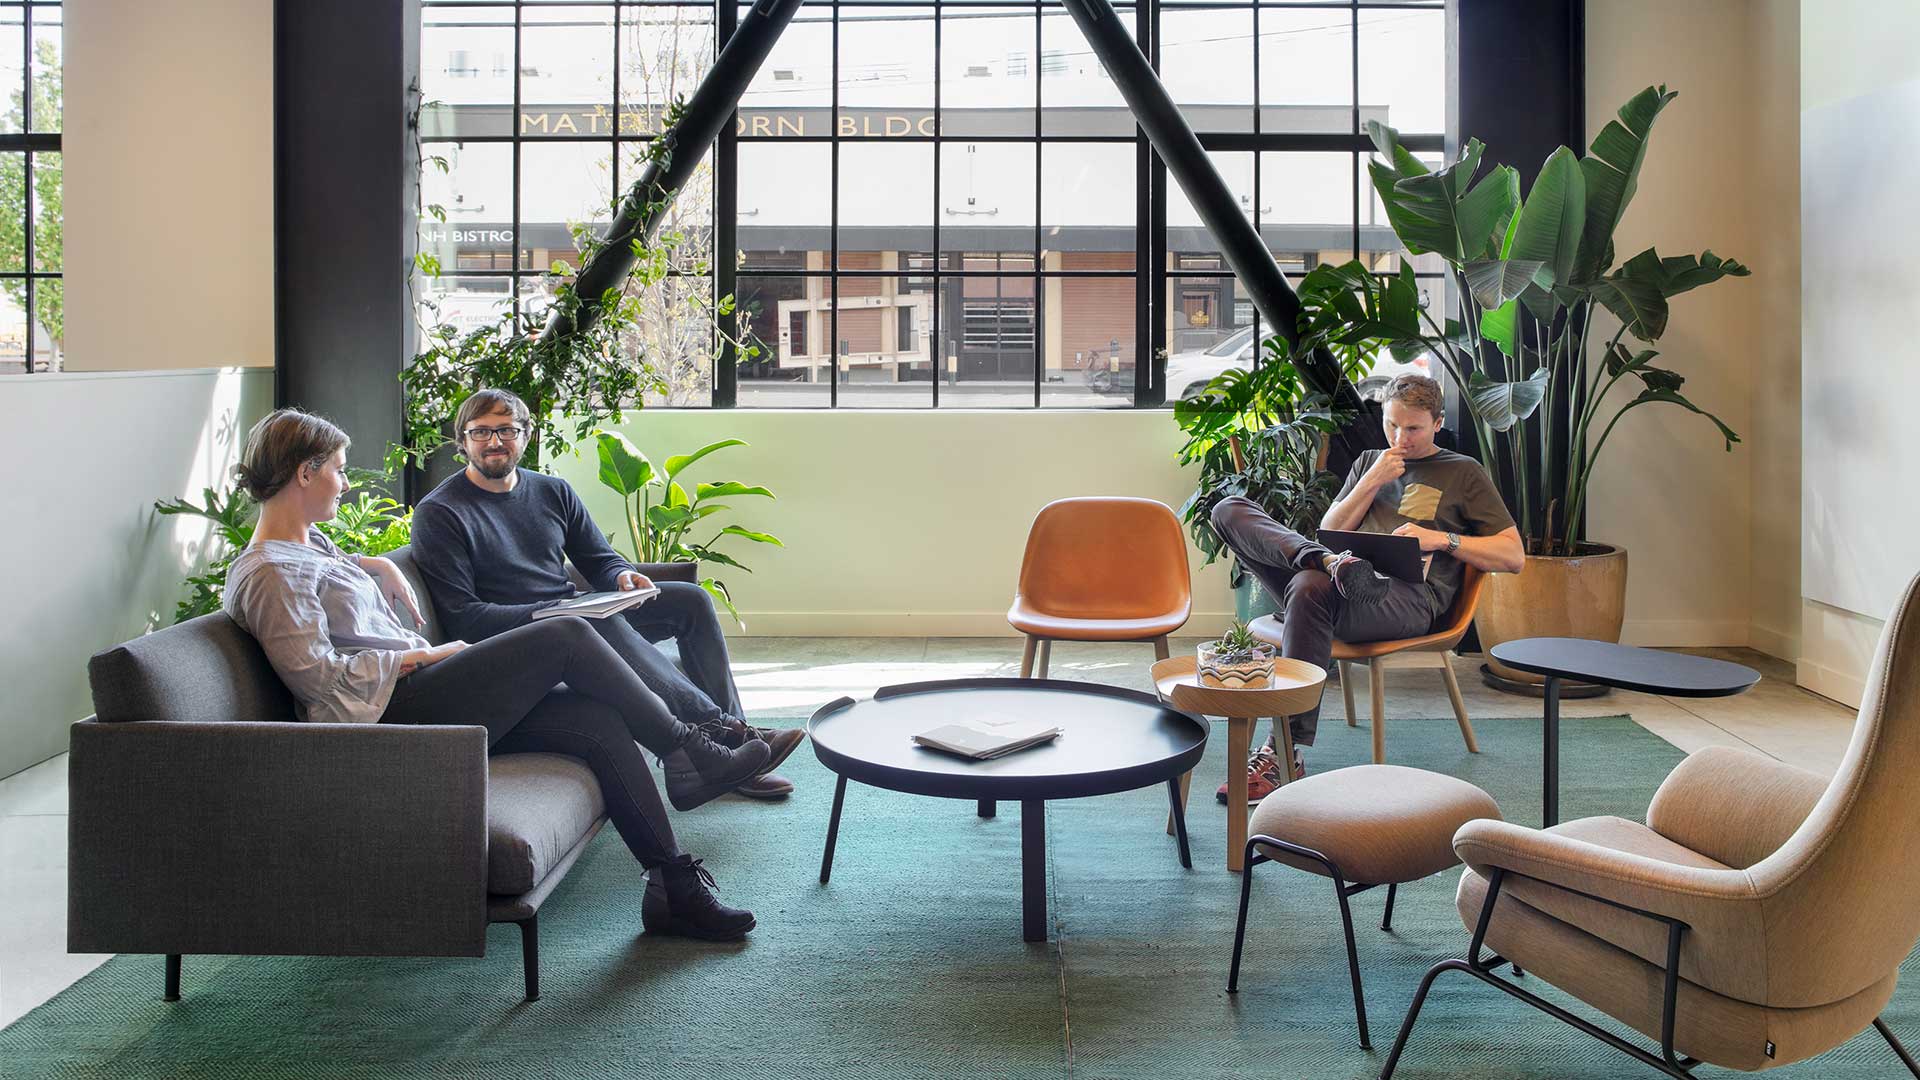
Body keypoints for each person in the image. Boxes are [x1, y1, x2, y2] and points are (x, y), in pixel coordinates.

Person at [222, 408, 768, 941]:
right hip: (390, 715)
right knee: (567, 633)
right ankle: (687, 750)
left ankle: (675, 888)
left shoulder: (309, 546)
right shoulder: (269, 572)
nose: (344, 484)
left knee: (596, 719)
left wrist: (379, 564)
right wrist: (424, 657)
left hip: (417, 695)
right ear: (305, 472)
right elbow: (317, 680)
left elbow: (326, 584)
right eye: (339, 469)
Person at [408, 389, 804, 802]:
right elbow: (463, 617)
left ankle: (734, 755)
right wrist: (555, 612)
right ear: (462, 441)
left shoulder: (552, 491)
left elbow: (598, 557)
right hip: (517, 641)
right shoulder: (441, 513)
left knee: (690, 600)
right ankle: (727, 736)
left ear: (526, 436)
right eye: (481, 432)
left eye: (507, 429)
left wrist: (621, 577)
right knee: (589, 620)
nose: (494, 441)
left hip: (570, 616)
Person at [1208, 374, 1525, 803]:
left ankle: (1282, 752)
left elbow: (1513, 556)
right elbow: (1331, 528)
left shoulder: (1462, 471)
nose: (1400, 437)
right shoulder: (1370, 462)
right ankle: (1329, 563)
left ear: (1437, 422)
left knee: (1308, 588)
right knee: (1229, 508)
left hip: (1407, 599)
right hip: (1336, 583)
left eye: (1412, 428)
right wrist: (1371, 480)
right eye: (1392, 425)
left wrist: (1441, 539)